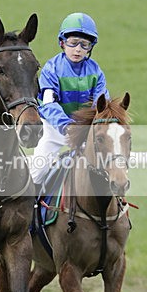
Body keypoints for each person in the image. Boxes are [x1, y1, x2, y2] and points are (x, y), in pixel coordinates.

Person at [29, 12, 109, 189]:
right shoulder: (51, 69)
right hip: (55, 130)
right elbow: (48, 104)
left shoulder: (96, 72)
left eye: (84, 44)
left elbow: (102, 104)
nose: (78, 49)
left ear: (90, 48)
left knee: (110, 166)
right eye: (73, 43)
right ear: (62, 43)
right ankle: (30, 209)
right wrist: (67, 126)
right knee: (38, 170)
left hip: (86, 131)